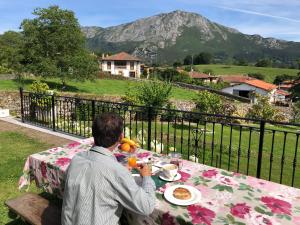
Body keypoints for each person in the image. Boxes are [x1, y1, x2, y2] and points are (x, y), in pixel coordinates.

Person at [61, 112, 156, 225]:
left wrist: (119, 173)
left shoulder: (77, 159)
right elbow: (147, 206)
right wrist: (146, 177)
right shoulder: (117, 172)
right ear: (121, 137)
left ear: (93, 133)